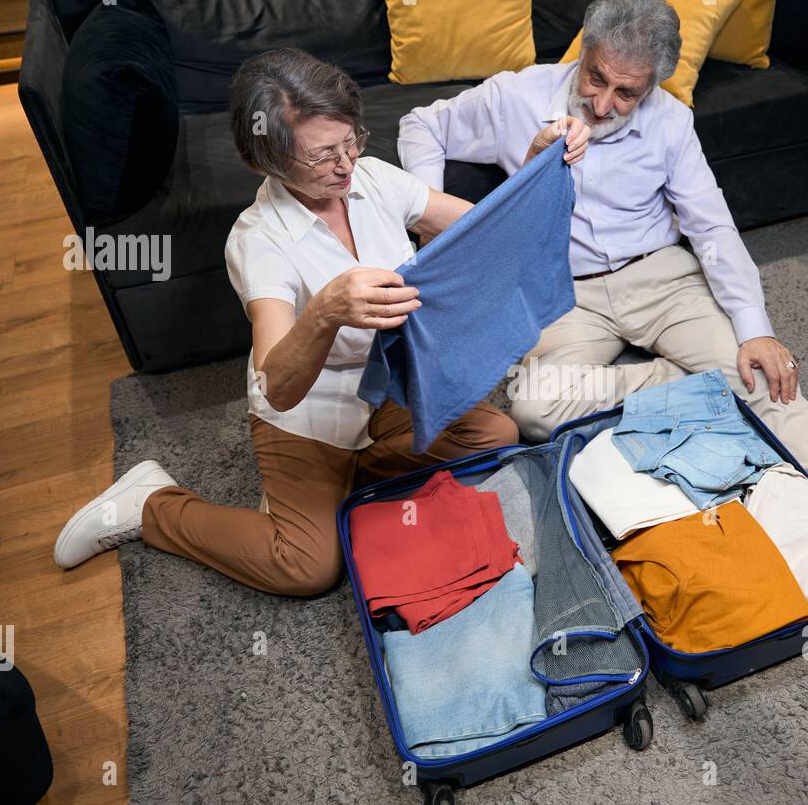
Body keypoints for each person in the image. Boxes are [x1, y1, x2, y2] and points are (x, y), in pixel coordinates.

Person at [398, 0, 808, 580]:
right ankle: (694, 382)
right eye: (596, 78)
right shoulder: (516, 97)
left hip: (664, 278)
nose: (604, 103)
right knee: (532, 407)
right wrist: (435, 226)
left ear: (654, 85)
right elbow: (422, 125)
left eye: (627, 93)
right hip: (568, 293)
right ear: (583, 51)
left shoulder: (672, 122)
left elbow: (712, 228)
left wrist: (756, 330)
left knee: (763, 374)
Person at [54, 48, 535, 595]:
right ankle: (150, 506)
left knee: (496, 437)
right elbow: (276, 386)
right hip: (310, 410)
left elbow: (484, 229)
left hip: (388, 387)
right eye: (322, 156)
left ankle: (340, 485)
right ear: (268, 161)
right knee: (307, 568)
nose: (346, 164)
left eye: (351, 140)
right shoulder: (258, 239)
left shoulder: (374, 179)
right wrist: (326, 310)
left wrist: (536, 161)